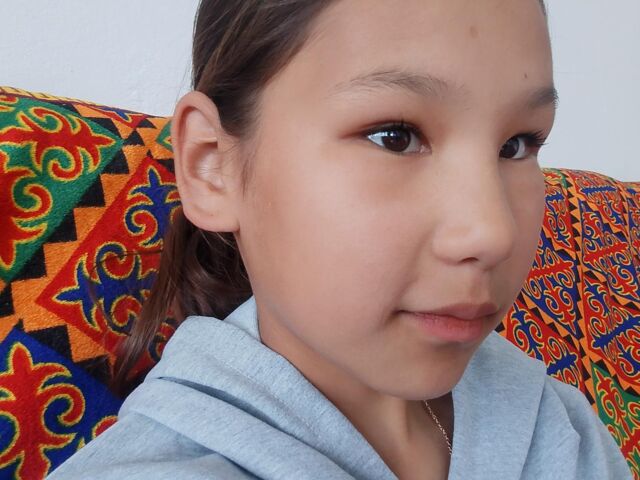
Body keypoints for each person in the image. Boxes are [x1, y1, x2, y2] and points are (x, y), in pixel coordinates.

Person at [48, 0, 633, 479]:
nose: (493, 232)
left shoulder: (566, 428)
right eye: (395, 136)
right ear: (212, 166)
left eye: (517, 145)